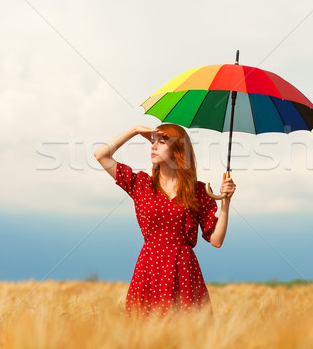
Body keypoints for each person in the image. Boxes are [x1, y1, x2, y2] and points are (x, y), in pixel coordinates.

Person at [93, 124, 236, 317]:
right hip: (149, 268)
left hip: (183, 271)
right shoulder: (141, 185)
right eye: (152, 142)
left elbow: (216, 240)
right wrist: (134, 130)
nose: (153, 146)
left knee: (188, 336)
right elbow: (101, 155)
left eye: (161, 142)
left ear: (178, 149)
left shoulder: (199, 191)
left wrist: (226, 202)